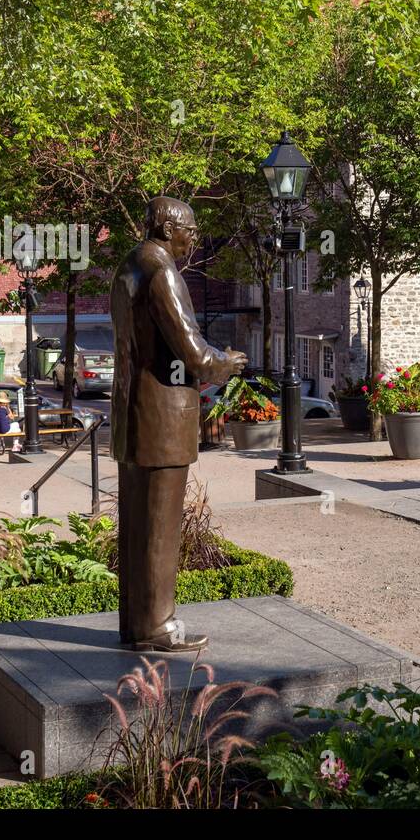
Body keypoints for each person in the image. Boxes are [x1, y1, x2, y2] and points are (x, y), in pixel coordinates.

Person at [111, 196, 247, 653]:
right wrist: (225, 362)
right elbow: (193, 353)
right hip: (163, 418)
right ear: (168, 230)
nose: (195, 235)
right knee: (161, 527)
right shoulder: (162, 270)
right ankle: (157, 627)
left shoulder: (130, 264)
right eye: (189, 228)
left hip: (132, 416)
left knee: (136, 527)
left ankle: (135, 624)